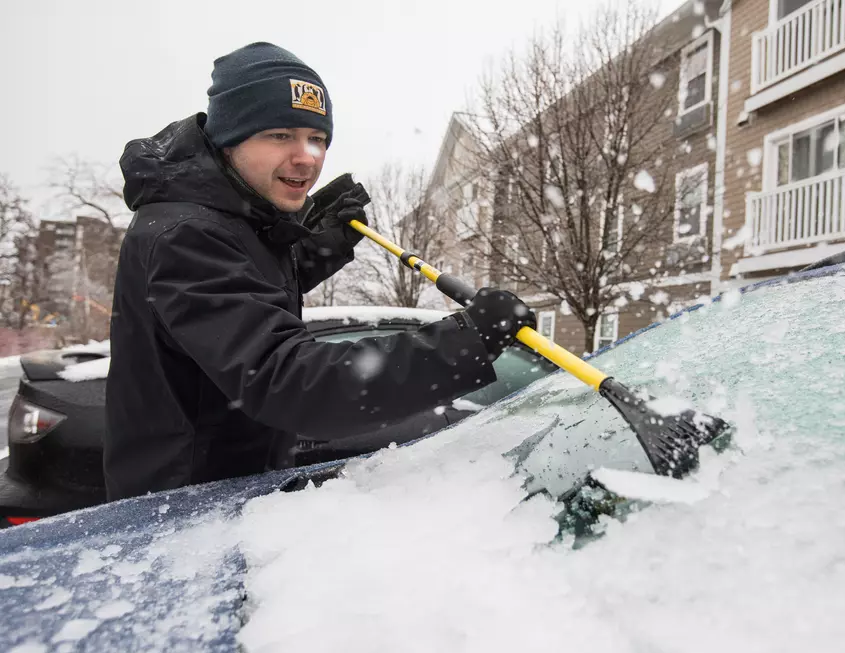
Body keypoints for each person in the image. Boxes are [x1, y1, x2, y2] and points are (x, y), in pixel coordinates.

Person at [104, 42, 534, 500]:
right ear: (230, 138)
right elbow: (288, 380)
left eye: (318, 138)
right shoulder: (185, 234)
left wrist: (317, 244)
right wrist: (466, 341)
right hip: (182, 512)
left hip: (226, 491)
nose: (307, 156)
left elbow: (245, 291)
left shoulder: (227, 220)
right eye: (279, 135)